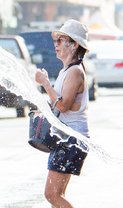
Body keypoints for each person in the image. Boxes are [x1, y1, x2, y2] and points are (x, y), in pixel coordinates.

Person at [35, 19, 90, 208]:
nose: (56, 44)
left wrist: (45, 83)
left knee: (52, 194)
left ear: (74, 45)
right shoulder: (66, 70)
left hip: (72, 138)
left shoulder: (75, 72)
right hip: (66, 137)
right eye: (55, 40)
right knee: (57, 195)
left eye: (61, 40)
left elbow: (63, 105)